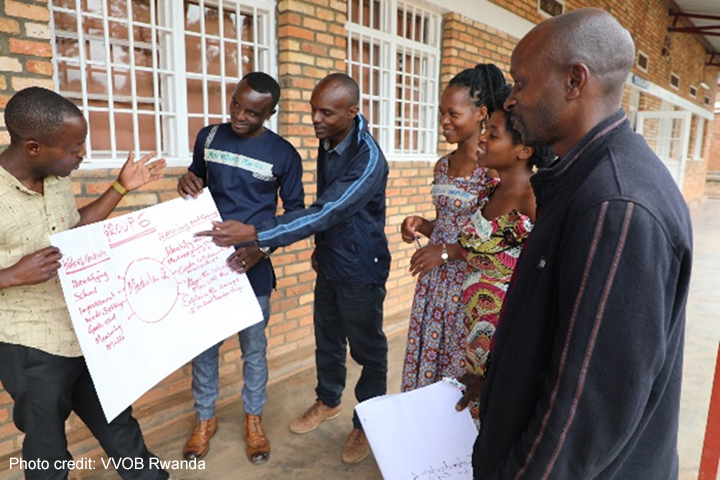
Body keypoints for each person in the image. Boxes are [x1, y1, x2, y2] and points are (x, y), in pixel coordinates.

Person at [471, 8, 693, 479]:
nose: (511, 101)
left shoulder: (616, 204)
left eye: (521, 83)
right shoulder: (581, 180)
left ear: (575, 81)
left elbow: (583, 413)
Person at [196, 73, 390, 465]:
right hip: (331, 260)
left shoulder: (368, 159)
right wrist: (320, 248)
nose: (316, 119)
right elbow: (322, 213)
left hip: (361, 267)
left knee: (368, 349)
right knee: (328, 338)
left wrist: (257, 235)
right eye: (313, 110)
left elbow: (328, 209)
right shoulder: (329, 140)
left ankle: (368, 420)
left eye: (326, 112)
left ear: (353, 112)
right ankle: (328, 401)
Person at [0, 87, 169, 479]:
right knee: (48, 451)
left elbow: (73, 231)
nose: (81, 156)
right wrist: (10, 275)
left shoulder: (55, 177)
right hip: (31, 348)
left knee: (119, 425)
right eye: (74, 149)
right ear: (33, 147)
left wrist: (122, 187)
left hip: (82, 330)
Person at [176, 72, 305, 465]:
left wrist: (261, 248)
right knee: (205, 347)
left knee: (254, 349)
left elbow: (297, 215)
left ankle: (253, 418)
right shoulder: (209, 137)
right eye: (236, 104)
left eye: (252, 112)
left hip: (252, 265)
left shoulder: (284, 154)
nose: (239, 116)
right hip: (206, 262)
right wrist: (187, 180)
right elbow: (198, 177)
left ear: (271, 113)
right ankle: (204, 420)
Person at [448, 85, 553, 424]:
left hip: (503, 346)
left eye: (492, 134)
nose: (482, 139)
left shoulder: (534, 201)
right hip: (468, 334)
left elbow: (544, 285)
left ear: (523, 150)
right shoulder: (493, 188)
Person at [400, 64, 505, 392]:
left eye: (453, 114)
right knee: (426, 366)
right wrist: (422, 225)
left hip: (467, 286)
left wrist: (446, 253)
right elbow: (447, 224)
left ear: (481, 114)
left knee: (455, 370)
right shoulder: (442, 165)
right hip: (433, 286)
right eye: (441, 112)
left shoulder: (493, 172)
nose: (444, 121)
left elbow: (498, 240)